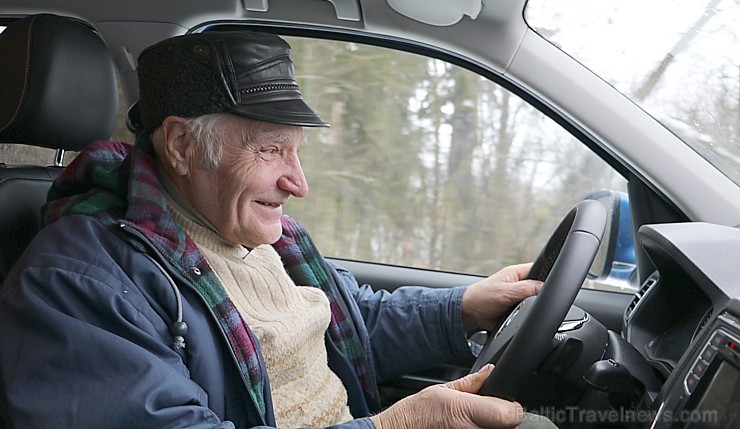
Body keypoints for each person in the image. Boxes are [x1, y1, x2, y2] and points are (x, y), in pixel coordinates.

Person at [0, 31, 548, 429]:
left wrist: (467, 306)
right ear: (183, 147)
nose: (298, 183)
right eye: (269, 149)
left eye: (296, 151)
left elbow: (346, 323)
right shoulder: (79, 281)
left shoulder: (257, 230)